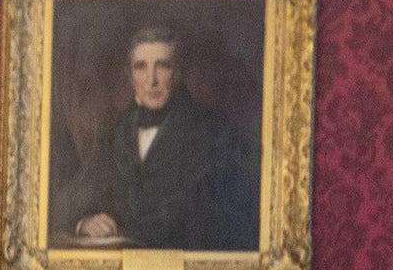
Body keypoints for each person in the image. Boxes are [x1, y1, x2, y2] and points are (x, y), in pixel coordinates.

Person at [52, 25, 257, 252]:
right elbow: (66, 203)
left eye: (163, 66)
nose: (152, 80)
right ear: (130, 76)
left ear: (178, 73)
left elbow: (230, 222)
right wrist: (84, 223)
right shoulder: (114, 132)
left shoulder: (211, 132)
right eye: (141, 67)